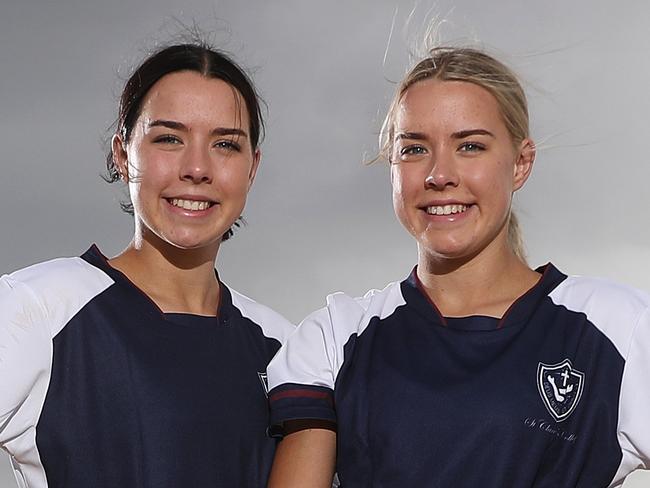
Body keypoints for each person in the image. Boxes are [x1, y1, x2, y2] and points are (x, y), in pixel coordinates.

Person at [266, 46, 650, 487]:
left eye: (470, 146)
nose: (440, 174)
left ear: (521, 163)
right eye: (413, 149)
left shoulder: (620, 328)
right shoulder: (335, 336)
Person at [0, 42, 293, 488]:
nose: (197, 168)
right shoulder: (38, 309)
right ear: (122, 154)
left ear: (252, 168)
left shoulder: (284, 348)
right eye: (169, 138)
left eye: (225, 144)